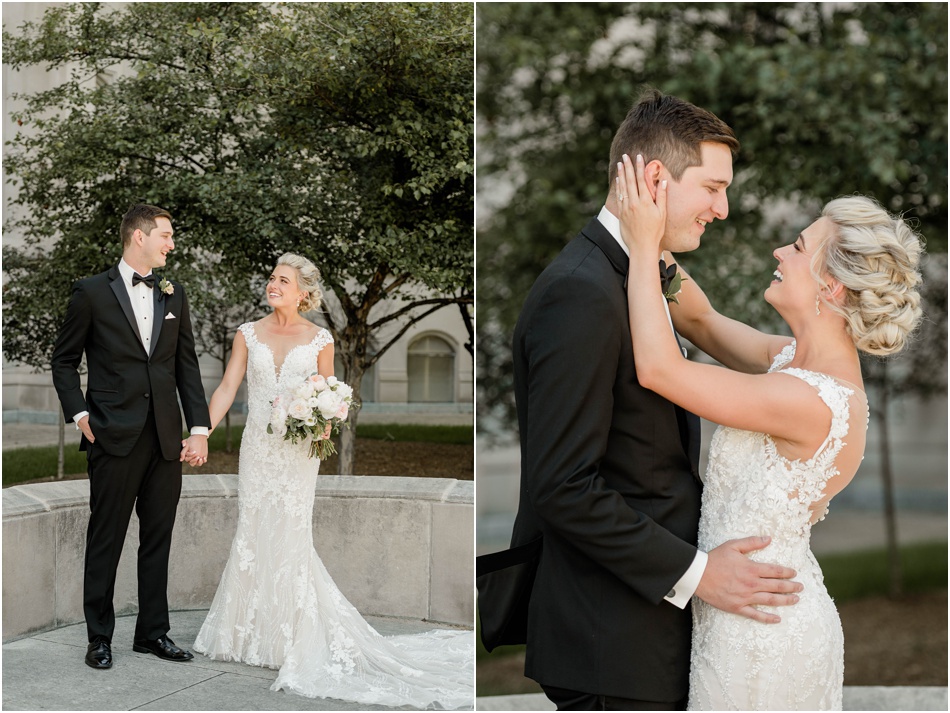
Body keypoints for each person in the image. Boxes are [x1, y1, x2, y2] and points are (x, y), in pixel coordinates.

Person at [507, 88, 803, 712]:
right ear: (654, 177)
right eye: (713, 188)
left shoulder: (638, 274)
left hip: (639, 634)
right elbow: (562, 485)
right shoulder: (581, 293)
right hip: (608, 642)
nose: (723, 209)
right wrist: (701, 574)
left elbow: (720, 334)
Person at [615, 153, 923, 710]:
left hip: (764, 636)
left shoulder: (807, 401)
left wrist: (638, 245)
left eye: (799, 248)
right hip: (744, 615)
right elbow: (702, 320)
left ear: (831, 287)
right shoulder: (792, 364)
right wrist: (656, 228)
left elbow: (660, 370)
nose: (780, 252)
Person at [193, 253, 473, 709]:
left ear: (304, 291)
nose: (272, 285)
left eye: (282, 280)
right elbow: (227, 387)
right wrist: (200, 431)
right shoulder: (247, 333)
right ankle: (245, 634)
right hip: (258, 450)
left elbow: (329, 395)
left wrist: (320, 424)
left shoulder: (320, 338)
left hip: (298, 453)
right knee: (252, 530)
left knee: (290, 533)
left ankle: (291, 638)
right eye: (271, 278)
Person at [51, 203, 212, 670]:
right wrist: (80, 414)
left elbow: (186, 364)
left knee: (158, 538)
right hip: (111, 436)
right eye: (166, 234)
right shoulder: (91, 292)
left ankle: (152, 634)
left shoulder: (174, 292)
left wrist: (197, 429)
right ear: (138, 236)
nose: (171, 243)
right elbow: (63, 361)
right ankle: (99, 637)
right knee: (107, 537)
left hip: (165, 437)